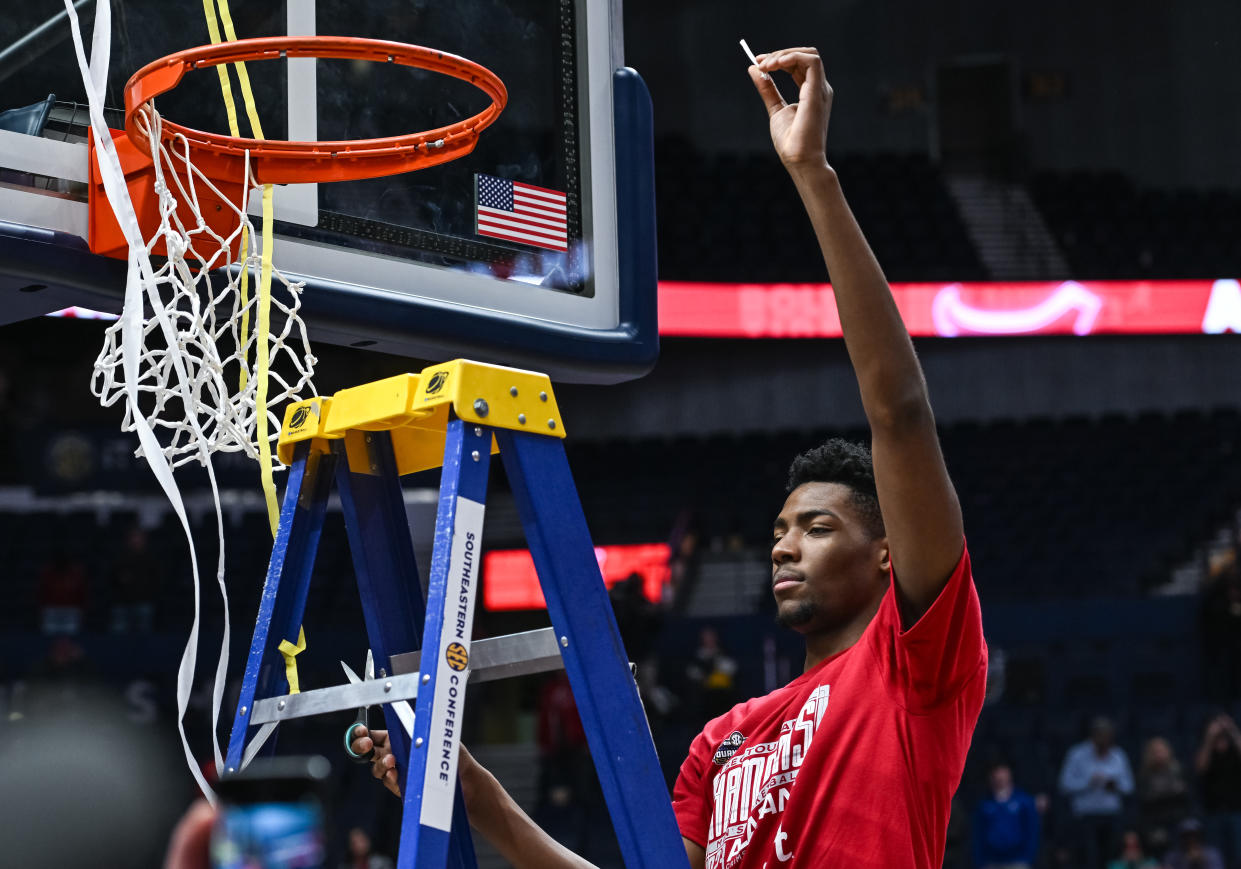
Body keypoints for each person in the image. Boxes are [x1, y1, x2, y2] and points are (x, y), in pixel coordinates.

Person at [351, 44, 987, 868]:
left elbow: (898, 414)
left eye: (817, 526)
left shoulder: (916, 665)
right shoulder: (721, 739)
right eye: (781, 527)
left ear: (885, 555)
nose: (783, 543)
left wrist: (813, 177)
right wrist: (484, 799)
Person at [1058, 716, 1135, 869]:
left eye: (1107, 736)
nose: (1104, 740)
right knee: (1089, 860)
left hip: (1111, 815)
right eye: (1100, 735)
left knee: (1111, 859)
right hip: (1086, 816)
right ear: (1093, 736)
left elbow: (1129, 787)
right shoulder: (1077, 754)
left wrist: (1115, 786)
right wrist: (1089, 782)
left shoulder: (1118, 755)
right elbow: (1064, 785)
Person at [972, 763, 1041, 869]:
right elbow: (978, 833)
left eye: (1002, 772)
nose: (1000, 777)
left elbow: (1032, 830)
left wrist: (1028, 858)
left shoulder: (1024, 801)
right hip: (991, 861)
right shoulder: (984, 804)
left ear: (1009, 774)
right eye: (996, 773)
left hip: (1018, 860)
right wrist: (980, 861)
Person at [1195, 712, 1241, 866]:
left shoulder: (1235, 750)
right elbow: (1201, 767)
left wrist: (1233, 730)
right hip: (1213, 811)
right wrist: (1209, 737)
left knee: (1238, 854)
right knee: (1216, 856)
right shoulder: (1207, 750)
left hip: (1236, 810)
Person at [1136, 735, 1190, 856]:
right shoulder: (1145, 775)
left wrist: (1162, 794)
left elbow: (1185, 795)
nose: (1159, 754)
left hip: (1177, 821)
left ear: (1168, 751)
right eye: (1155, 751)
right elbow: (1145, 801)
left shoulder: (1179, 770)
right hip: (1155, 823)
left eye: (1162, 750)